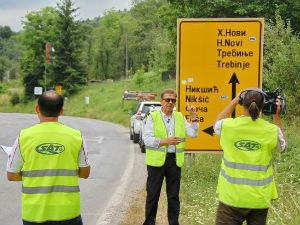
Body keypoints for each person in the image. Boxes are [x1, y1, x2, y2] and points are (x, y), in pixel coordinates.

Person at [6, 90, 91, 225]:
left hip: (34, 214)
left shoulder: (23, 137)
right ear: (61, 111)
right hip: (68, 213)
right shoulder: (76, 136)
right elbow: (85, 173)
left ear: (37, 109)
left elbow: (11, 175)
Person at [213, 88, 287, 225]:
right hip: (259, 199)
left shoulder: (229, 126)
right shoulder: (271, 130)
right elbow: (282, 147)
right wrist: (276, 116)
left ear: (242, 104)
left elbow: (216, 124)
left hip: (231, 197)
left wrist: (235, 100)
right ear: (262, 106)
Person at [143, 88, 199, 225]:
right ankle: (149, 222)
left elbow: (193, 133)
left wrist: (193, 115)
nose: (170, 102)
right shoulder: (152, 116)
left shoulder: (179, 117)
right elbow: (146, 139)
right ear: (161, 101)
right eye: (167, 99)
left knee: (173, 196)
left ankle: (174, 223)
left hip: (174, 161)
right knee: (152, 195)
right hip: (156, 162)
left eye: (173, 100)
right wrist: (165, 141)